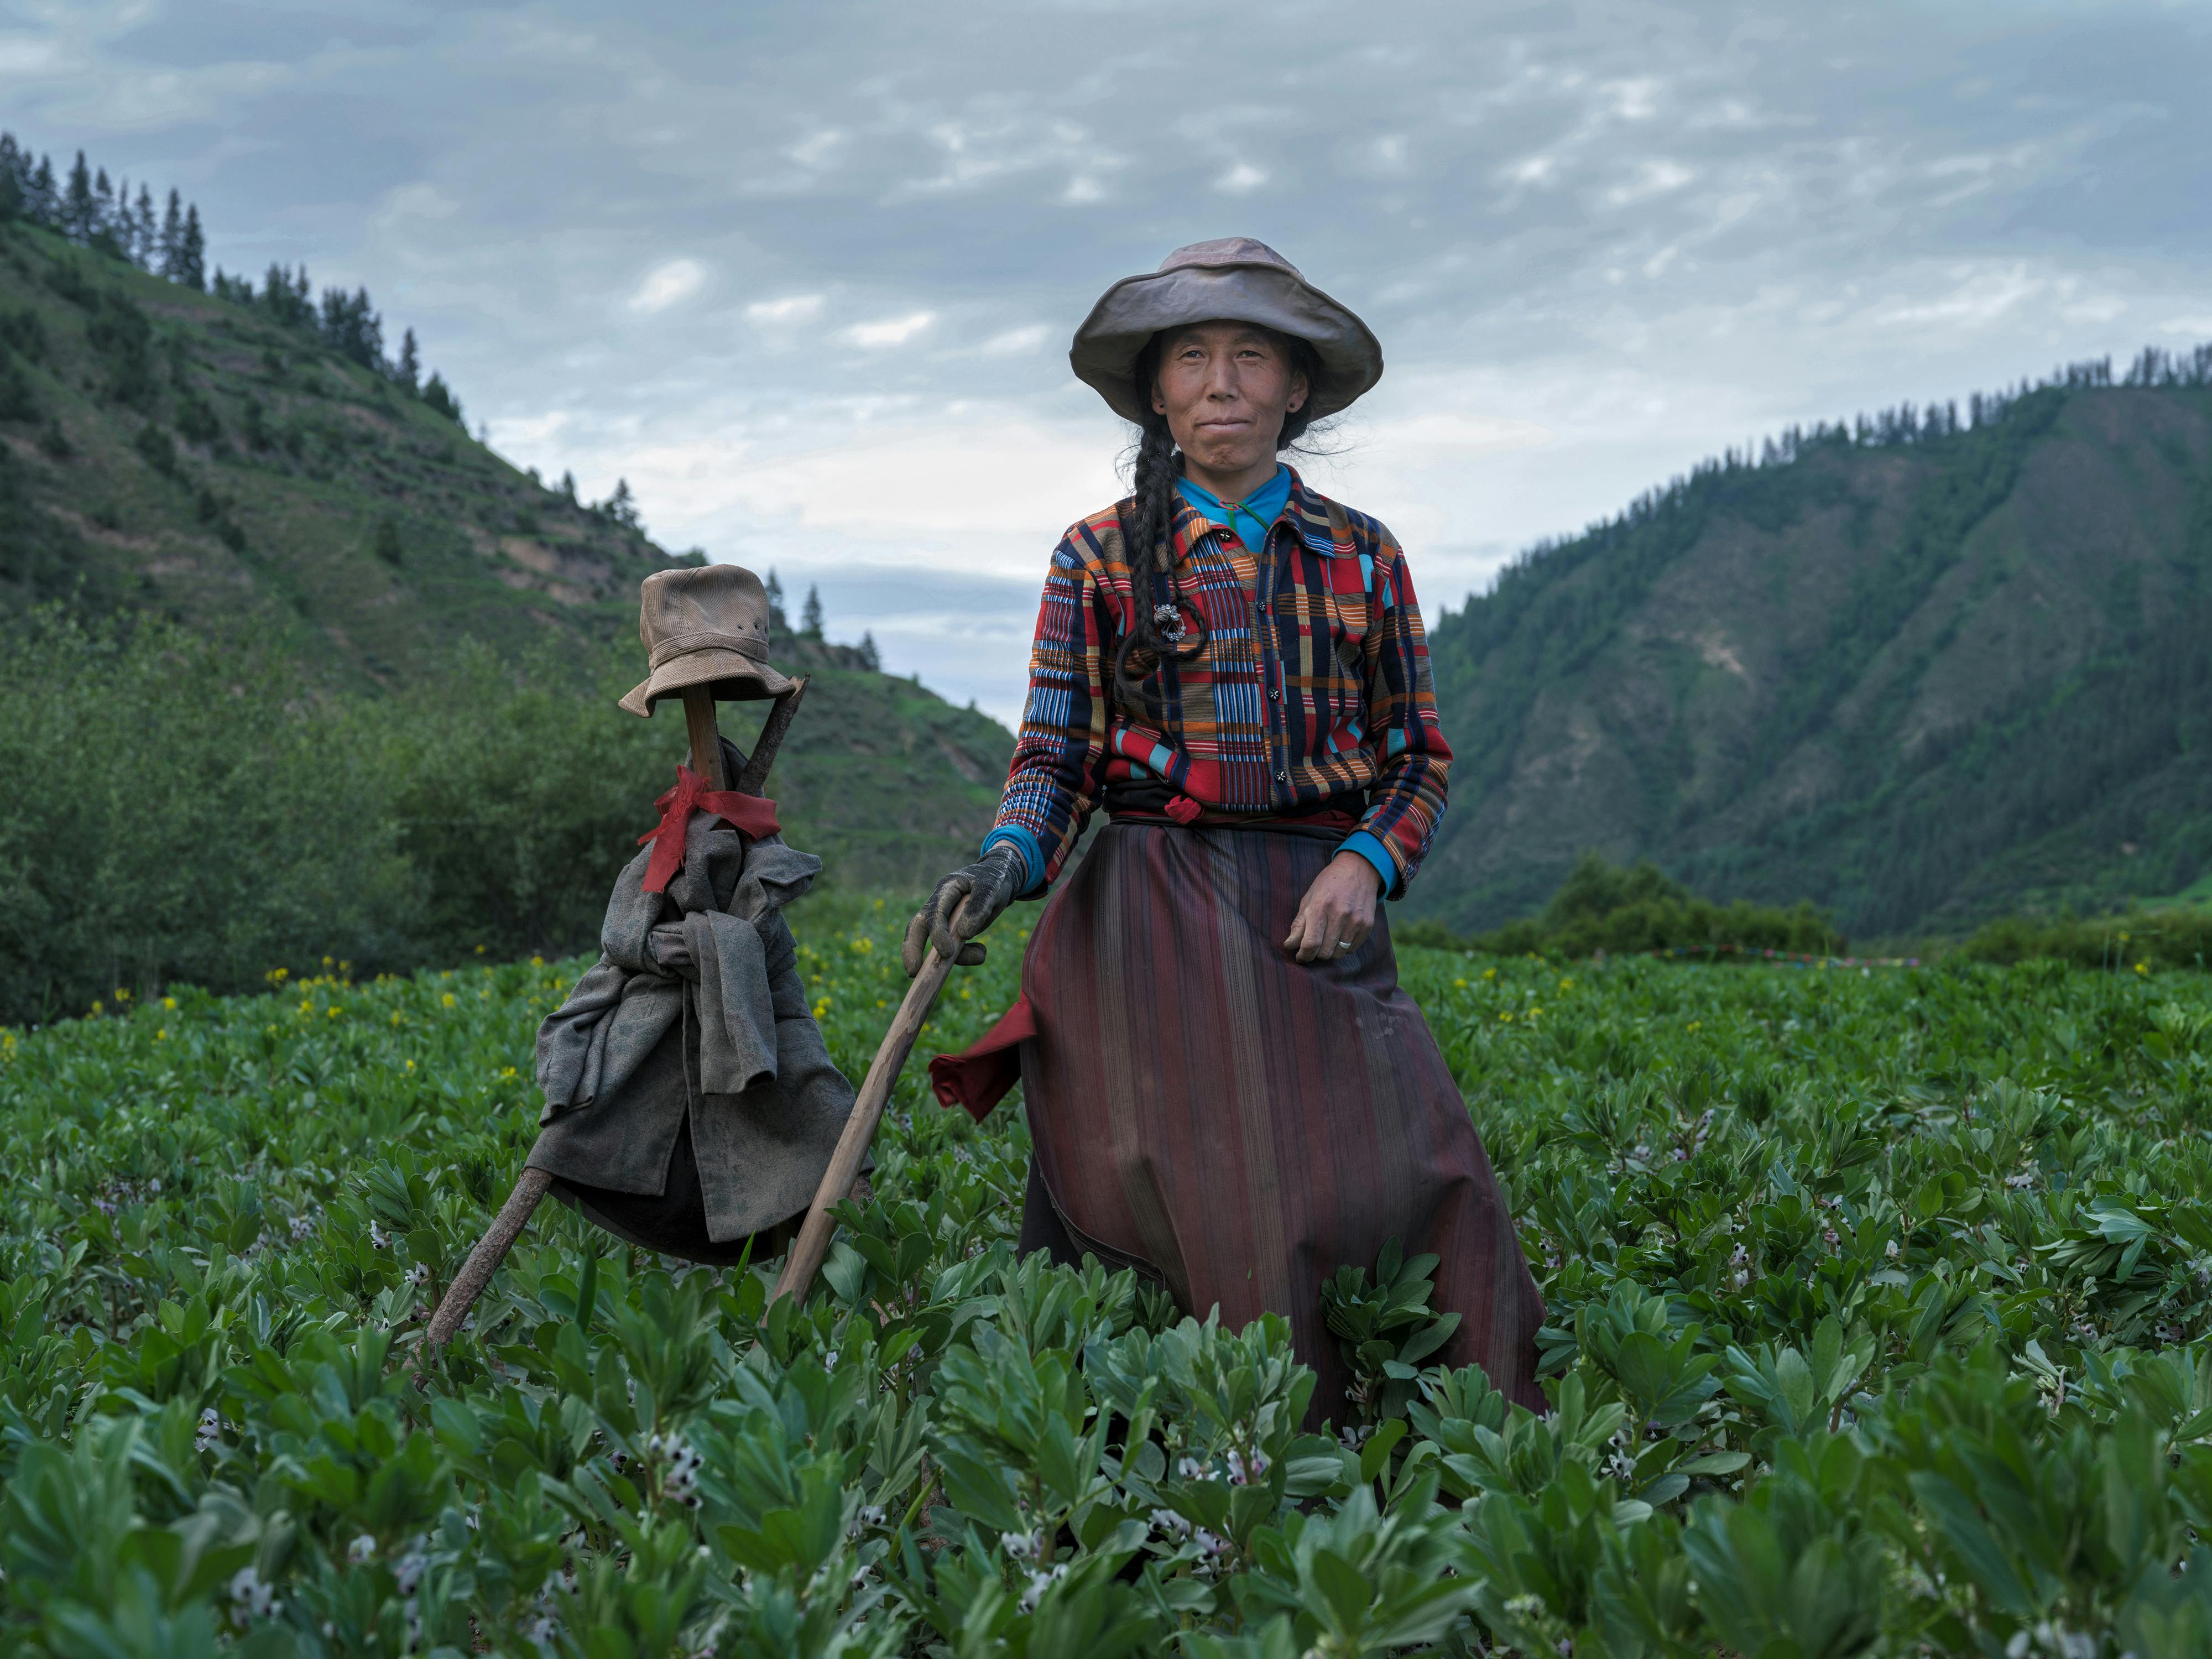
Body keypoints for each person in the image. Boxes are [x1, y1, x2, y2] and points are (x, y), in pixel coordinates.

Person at [913, 238, 1543, 1416]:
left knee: (1426, 1162)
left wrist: (1364, 862)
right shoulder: (1098, 555)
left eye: (1249, 357)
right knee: (1220, 1196)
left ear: (1293, 389)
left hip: (1318, 910)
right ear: (1154, 392)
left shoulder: (1361, 554)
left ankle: (1471, 1450)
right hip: (1146, 918)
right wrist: (1002, 863)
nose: (1219, 384)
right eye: (1191, 358)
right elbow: (1055, 755)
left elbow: (1416, 765)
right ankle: (1207, 1466)